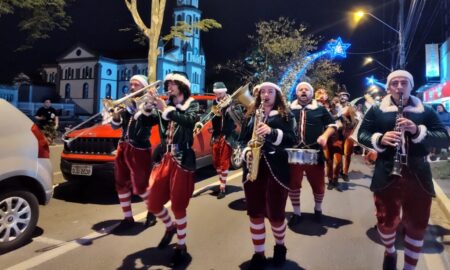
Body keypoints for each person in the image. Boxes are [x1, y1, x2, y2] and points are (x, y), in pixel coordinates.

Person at [358, 70, 450, 270]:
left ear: (411, 86)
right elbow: (362, 134)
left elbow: (443, 138)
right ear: (389, 87)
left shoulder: (425, 111)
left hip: (418, 175)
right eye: (395, 83)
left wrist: (417, 131)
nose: (399, 87)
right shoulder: (376, 110)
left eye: (404, 83)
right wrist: (379, 139)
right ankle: (390, 251)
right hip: (387, 173)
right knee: (386, 223)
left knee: (417, 226)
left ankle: (409, 267)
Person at [239, 82, 296, 269]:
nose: (265, 94)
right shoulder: (251, 115)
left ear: (277, 94)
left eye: (270, 91)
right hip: (253, 170)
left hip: (276, 170)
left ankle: (280, 247)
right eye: (262, 92)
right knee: (255, 213)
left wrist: (272, 132)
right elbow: (242, 140)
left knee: (277, 216)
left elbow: (292, 140)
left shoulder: (286, 115)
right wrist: (246, 149)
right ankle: (259, 254)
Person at [146, 73, 199, 267]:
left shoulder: (192, 104)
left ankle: (181, 246)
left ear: (183, 87)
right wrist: (147, 107)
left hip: (182, 158)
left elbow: (190, 120)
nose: (169, 86)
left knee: (178, 205)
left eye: (173, 84)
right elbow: (151, 122)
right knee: (153, 202)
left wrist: (166, 109)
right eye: (168, 83)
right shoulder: (165, 104)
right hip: (165, 157)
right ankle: (170, 228)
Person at [110, 74, 159, 232]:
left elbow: (153, 119)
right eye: (131, 84)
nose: (131, 87)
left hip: (139, 148)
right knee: (120, 183)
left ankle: (152, 212)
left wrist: (145, 104)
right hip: (123, 146)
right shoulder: (128, 102)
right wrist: (116, 114)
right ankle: (127, 218)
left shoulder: (149, 102)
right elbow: (115, 126)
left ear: (143, 86)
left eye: (136, 85)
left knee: (142, 185)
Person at [287, 82, 336, 226]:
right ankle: (296, 212)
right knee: (293, 185)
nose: (303, 91)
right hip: (293, 153)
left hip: (314, 153)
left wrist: (325, 136)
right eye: (300, 89)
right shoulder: (288, 109)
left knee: (318, 185)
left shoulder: (320, 109)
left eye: (306, 89)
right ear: (296, 93)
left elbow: (332, 126)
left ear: (311, 93)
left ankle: (318, 209)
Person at [211, 82, 236, 199]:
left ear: (225, 91)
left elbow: (238, 116)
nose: (219, 95)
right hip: (216, 136)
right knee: (216, 161)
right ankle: (221, 181)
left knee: (224, 161)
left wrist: (229, 109)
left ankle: (222, 187)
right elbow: (209, 114)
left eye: (220, 93)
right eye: (217, 93)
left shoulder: (232, 102)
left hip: (227, 135)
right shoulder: (214, 102)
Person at [329, 88, 358, 187]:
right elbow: (329, 117)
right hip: (337, 134)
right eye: (340, 95)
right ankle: (335, 177)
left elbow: (355, 122)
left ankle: (345, 173)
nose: (342, 97)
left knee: (347, 154)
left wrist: (345, 120)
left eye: (345, 95)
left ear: (348, 97)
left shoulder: (350, 107)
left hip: (347, 133)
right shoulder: (335, 106)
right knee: (337, 157)